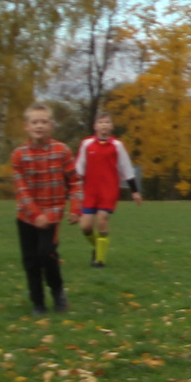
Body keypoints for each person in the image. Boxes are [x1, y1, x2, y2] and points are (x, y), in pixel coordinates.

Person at [12, 106, 77, 316]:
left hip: (52, 215)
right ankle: (38, 302)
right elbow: (21, 190)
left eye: (43, 122)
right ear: (26, 126)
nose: (39, 126)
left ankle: (58, 291)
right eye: (34, 122)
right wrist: (34, 213)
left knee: (46, 254)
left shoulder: (62, 151)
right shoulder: (19, 156)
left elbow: (75, 181)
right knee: (30, 261)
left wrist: (76, 207)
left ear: (51, 126)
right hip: (26, 217)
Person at [73, 114, 137, 270]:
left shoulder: (117, 145)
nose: (104, 125)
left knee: (102, 220)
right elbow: (79, 167)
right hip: (89, 191)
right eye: (101, 122)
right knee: (86, 227)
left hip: (108, 190)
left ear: (111, 126)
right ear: (95, 126)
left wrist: (134, 190)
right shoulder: (87, 144)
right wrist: (74, 184)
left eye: (107, 122)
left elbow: (126, 167)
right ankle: (98, 248)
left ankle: (100, 260)